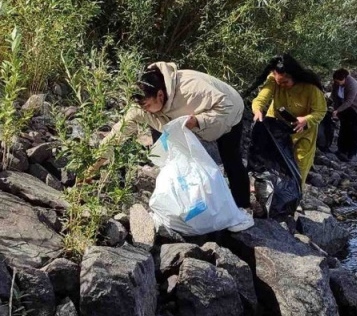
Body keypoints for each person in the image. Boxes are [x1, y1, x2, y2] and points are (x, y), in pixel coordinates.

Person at [104, 62, 250, 208]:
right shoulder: (144, 105)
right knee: (171, 161)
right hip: (178, 117)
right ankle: (181, 202)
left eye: (147, 105)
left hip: (228, 114)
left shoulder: (190, 90)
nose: (145, 110)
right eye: (143, 107)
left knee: (231, 159)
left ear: (160, 95)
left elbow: (227, 105)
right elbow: (118, 133)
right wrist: (93, 166)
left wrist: (198, 121)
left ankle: (243, 208)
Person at [248, 54, 327, 186]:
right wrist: (257, 110)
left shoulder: (310, 88)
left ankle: (294, 197)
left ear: (294, 76)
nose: (282, 86)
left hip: (304, 131)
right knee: (274, 163)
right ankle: (274, 193)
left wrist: (307, 119)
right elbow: (261, 99)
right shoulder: (273, 80)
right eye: (280, 83)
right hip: (277, 128)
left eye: (285, 82)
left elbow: (320, 111)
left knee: (300, 165)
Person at [330, 69, 357, 161]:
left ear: (344, 78)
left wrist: (337, 111)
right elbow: (334, 97)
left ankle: (352, 153)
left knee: (354, 131)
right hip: (345, 107)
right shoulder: (336, 84)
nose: (338, 83)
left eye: (340, 81)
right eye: (336, 81)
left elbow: (349, 101)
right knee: (344, 128)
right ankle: (341, 150)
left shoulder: (352, 84)